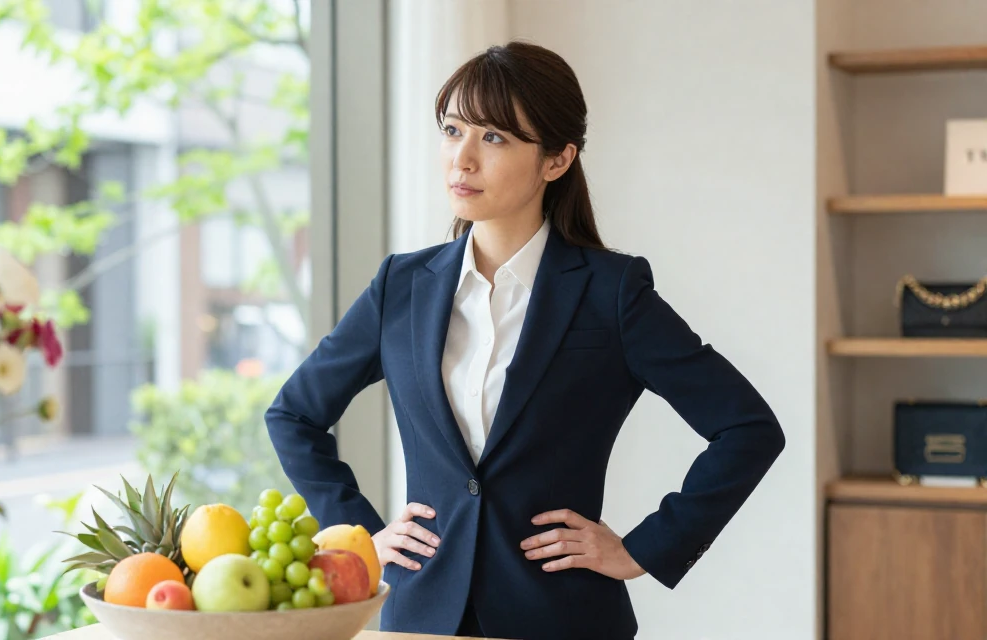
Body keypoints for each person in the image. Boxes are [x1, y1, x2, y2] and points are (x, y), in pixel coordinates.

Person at [265, 40, 785, 640]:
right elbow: (294, 414)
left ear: (556, 160)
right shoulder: (400, 288)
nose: (461, 159)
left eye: (493, 138)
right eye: (452, 129)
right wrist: (360, 536)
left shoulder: (611, 293)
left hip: (562, 617)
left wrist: (645, 548)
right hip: (423, 617)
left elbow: (747, 428)